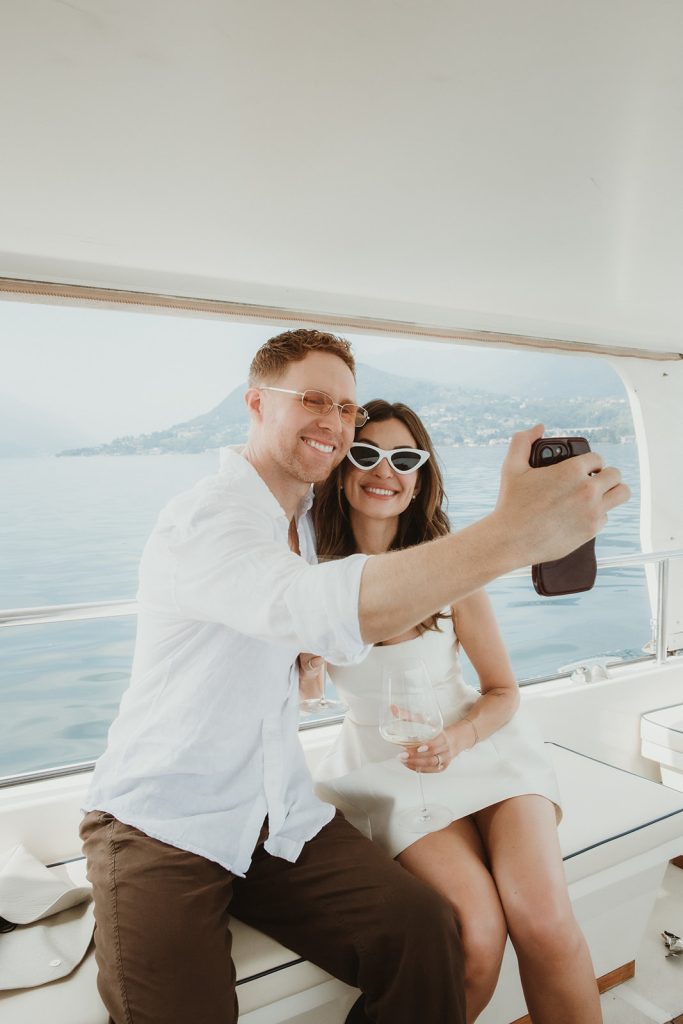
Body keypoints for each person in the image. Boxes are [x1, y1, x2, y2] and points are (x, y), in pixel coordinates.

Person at [80, 329, 627, 1024]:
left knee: (430, 935)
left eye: (345, 408)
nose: (335, 422)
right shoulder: (207, 521)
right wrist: (513, 534)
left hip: (276, 813)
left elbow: (342, 605)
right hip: (163, 821)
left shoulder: (312, 523)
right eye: (313, 399)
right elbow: (314, 605)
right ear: (255, 403)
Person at [310, 399, 604, 1024]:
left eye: (404, 459)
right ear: (340, 471)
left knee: (545, 923)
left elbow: (502, 692)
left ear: (419, 480)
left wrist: (460, 740)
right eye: (365, 453)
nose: (384, 470)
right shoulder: (314, 582)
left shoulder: (453, 567)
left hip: (485, 747)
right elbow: (298, 690)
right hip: (389, 769)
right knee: (476, 936)